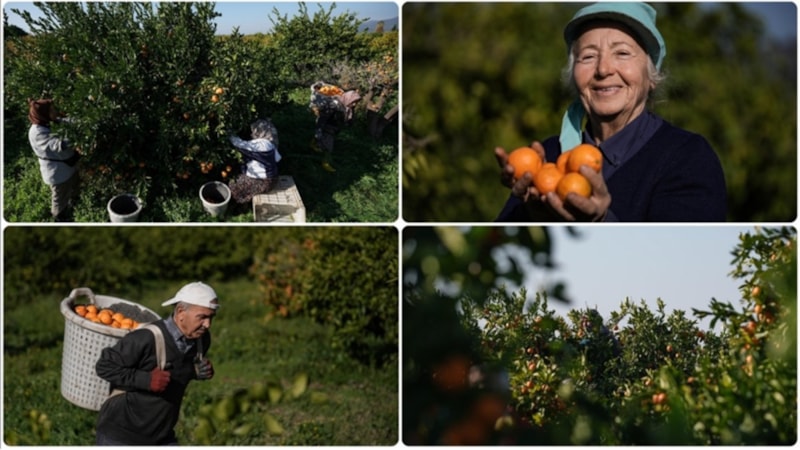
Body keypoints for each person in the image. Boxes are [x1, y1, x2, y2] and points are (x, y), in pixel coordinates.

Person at [495, 3, 727, 222]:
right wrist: (531, 218)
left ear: (651, 76)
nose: (603, 69)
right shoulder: (548, 157)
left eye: (622, 53)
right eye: (588, 56)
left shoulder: (687, 157)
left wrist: (600, 222)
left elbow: (677, 257)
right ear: (574, 77)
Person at [95, 282, 219, 445]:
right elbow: (104, 366)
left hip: (161, 435)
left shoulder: (201, 340)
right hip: (121, 434)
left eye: (211, 317)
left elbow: (175, 368)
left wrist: (194, 371)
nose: (207, 324)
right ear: (181, 312)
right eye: (202, 317)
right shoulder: (145, 338)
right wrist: (146, 380)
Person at [28, 98, 81, 221]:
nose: (55, 112)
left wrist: (83, 122)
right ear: (43, 114)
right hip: (57, 172)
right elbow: (56, 145)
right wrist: (78, 137)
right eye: (52, 110)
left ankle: (74, 203)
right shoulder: (36, 132)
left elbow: (66, 121)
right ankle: (58, 216)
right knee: (59, 196)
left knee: (74, 184)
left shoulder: (50, 122)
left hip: (69, 163)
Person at [309, 81, 362, 172]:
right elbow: (323, 119)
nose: (354, 104)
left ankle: (314, 152)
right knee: (328, 147)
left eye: (356, 102)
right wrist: (319, 131)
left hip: (333, 129)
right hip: (327, 128)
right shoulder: (334, 105)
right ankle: (324, 164)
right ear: (349, 98)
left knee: (323, 145)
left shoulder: (346, 107)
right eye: (354, 102)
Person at [228, 118, 282, 204]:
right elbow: (278, 158)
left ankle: (238, 204)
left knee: (233, 185)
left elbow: (239, 144)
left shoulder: (259, 145)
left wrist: (229, 133)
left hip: (263, 182)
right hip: (273, 179)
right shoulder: (270, 144)